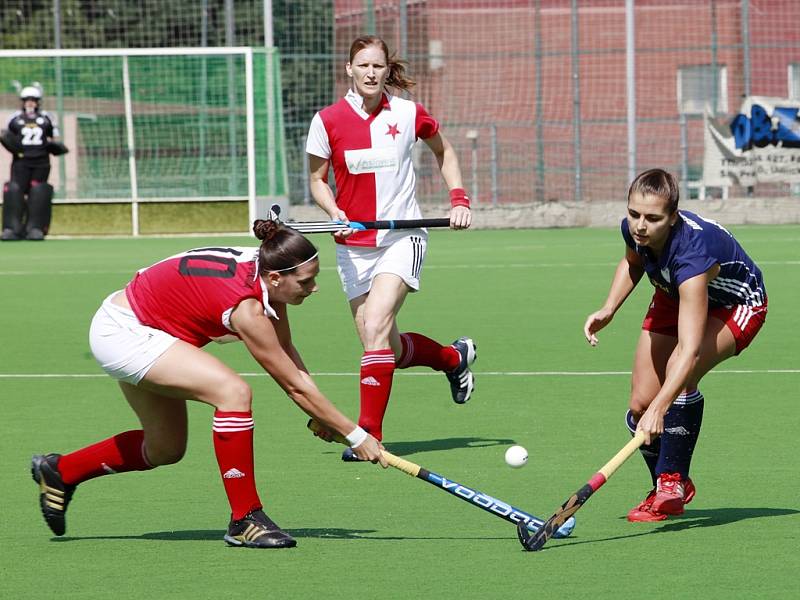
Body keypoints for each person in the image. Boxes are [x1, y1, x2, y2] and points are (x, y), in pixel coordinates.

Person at [31, 219, 387, 549]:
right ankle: (244, 518)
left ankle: (61, 471)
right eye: (306, 281)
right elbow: (292, 384)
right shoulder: (246, 306)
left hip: (146, 323)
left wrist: (326, 417)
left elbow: (286, 353)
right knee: (232, 392)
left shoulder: (265, 268)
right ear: (277, 278)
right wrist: (356, 435)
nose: (314, 288)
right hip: (126, 332)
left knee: (165, 448)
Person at [305, 35, 476, 461]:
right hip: (352, 244)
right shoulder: (326, 120)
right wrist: (334, 212)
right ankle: (453, 359)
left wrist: (459, 199)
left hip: (403, 236)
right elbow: (316, 181)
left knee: (378, 324)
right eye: (362, 65)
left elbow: (444, 150)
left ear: (386, 69)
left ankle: (369, 434)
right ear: (349, 69)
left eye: (377, 66)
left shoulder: (407, 112)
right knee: (384, 349)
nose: (370, 73)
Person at [583, 168, 767, 522]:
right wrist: (609, 308)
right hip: (674, 293)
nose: (640, 225)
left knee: (681, 377)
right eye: (634, 214)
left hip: (736, 303)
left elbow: (689, 348)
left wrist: (661, 408)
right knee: (639, 404)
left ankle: (670, 485)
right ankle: (671, 478)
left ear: (673, 217)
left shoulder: (691, 255)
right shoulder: (635, 230)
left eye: (653, 218)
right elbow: (633, 261)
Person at [1, 83, 68, 241]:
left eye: (33, 100)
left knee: (38, 192)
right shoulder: (15, 118)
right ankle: (12, 228)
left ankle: (35, 228)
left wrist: (54, 146)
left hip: (41, 162)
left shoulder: (47, 118)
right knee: (15, 191)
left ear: (38, 101)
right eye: (27, 100)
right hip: (21, 162)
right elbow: (7, 136)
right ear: (22, 101)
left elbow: (54, 138)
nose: (30, 103)